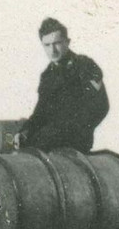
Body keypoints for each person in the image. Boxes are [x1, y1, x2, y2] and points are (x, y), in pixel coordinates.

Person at [18, 17, 109, 152]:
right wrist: (24, 131)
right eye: (47, 45)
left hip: (74, 141)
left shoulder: (85, 66)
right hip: (48, 139)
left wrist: (74, 130)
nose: (52, 50)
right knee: (10, 141)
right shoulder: (47, 75)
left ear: (67, 42)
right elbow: (41, 112)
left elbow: (100, 107)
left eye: (57, 43)